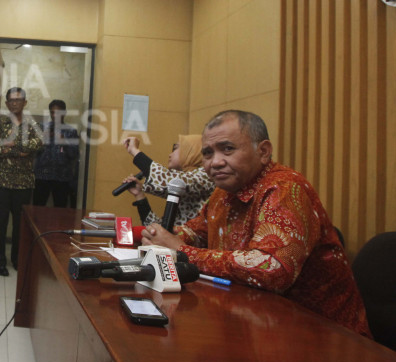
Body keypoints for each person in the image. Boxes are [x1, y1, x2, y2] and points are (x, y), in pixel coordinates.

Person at [139, 110, 370, 335]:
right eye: (208, 153)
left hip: (324, 337)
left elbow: (271, 268)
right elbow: (194, 232)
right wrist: (159, 236)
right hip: (254, 324)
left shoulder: (285, 188)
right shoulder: (222, 193)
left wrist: (181, 250)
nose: (215, 162)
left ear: (263, 151)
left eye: (228, 149)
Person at [0, 87, 44, 276]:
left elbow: (38, 144)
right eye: (11, 100)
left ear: (25, 102)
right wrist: (21, 149)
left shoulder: (31, 124)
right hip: (0, 181)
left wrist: (11, 145)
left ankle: (18, 261)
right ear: (6, 103)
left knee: (21, 226)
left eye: (18, 100)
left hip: (24, 183)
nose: (14, 103)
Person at [119, 133, 214, 227]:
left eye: (175, 148)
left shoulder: (207, 175)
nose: (170, 154)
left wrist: (134, 151)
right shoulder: (185, 184)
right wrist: (139, 195)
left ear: (191, 151)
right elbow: (161, 230)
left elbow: (168, 179)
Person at [33, 99, 79, 208]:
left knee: (60, 211)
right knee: (37, 210)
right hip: (42, 176)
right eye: (52, 112)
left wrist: (65, 142)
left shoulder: (70, 131)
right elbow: (33, 151)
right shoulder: (42, 128)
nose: (55, 115)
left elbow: (74, 155)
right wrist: (43, 139)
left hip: (62, 177)